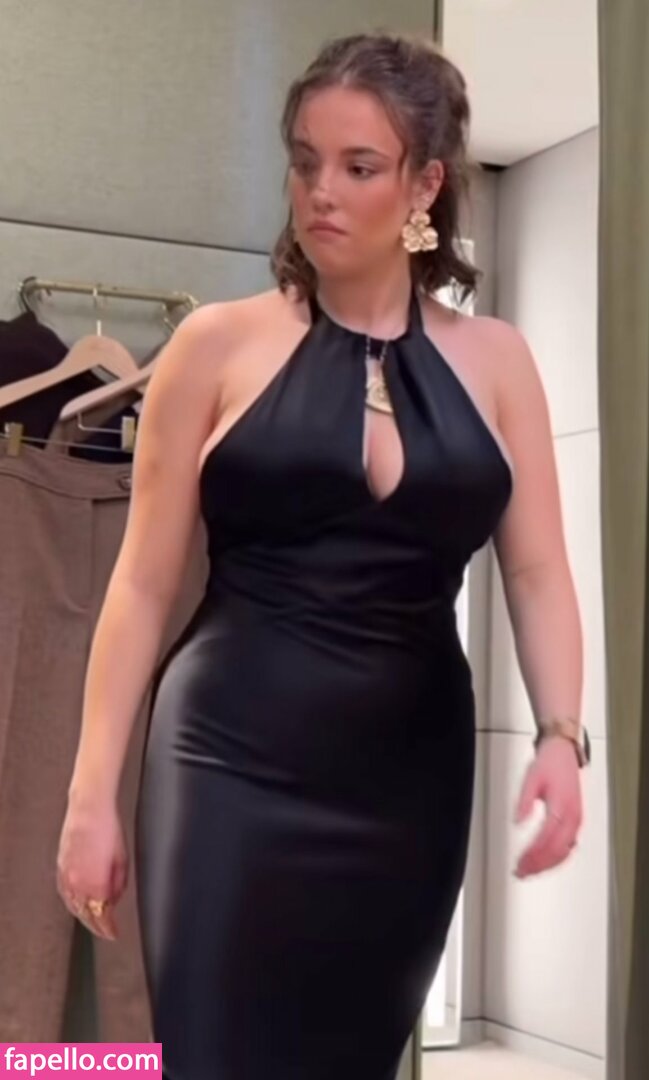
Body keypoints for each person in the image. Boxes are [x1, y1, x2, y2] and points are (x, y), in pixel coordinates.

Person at [56, 31, 588, 1080]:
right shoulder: (216, 345)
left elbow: (536, 572)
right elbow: (144, 585)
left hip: (408, 780)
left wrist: (562, 735)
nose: (320, 193)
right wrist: (89, 796)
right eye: (305, 162)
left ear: (425, 185)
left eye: (358, 166)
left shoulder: (498, 363)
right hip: (226, 763)